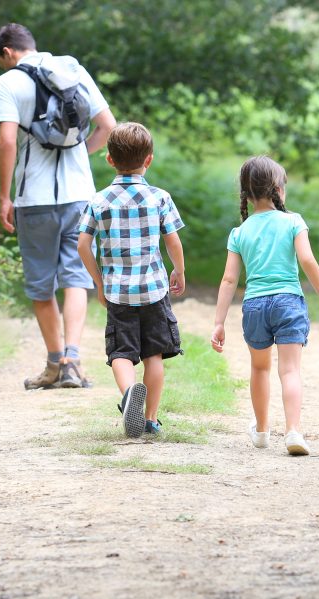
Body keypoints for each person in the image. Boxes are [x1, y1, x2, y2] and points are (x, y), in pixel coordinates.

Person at [0, 23, 117, 390]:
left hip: (34, 199)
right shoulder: (72, 70)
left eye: (2, 62)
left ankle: (52, 364)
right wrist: (79, 152)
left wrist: (4, 196)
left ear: (8, 53)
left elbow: (7, 141)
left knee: (41, 285)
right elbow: (108, 125)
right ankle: (73, 362)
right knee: (76, 277)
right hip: (80, 194)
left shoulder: (9, 82)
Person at [211, 156, 319, 457]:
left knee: (259, 368)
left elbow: (229, 280)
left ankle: (263, 431)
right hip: (288, 302)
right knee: (290, 370)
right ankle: (293, 430)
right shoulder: (293, 221)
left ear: (246, 194)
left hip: (254, 305)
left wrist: (219, 321)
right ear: (279, 190)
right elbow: (307, 260)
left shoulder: (239, 232)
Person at [77, 123, 186, 438]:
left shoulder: (99, 201)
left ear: (109, 159)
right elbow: (173, 241)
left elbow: (83, 244)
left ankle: (128, 396)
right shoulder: (159, 197)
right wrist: (178, 270)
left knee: (121, 353)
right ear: (148, 160)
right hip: (153, 289)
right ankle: (150, 419)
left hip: (117, 292)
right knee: (154, 355)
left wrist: (98, 282)